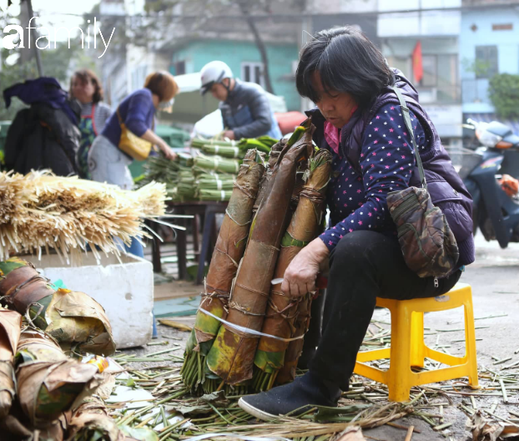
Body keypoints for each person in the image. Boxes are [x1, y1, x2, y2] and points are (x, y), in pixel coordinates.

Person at [239, 27, 475, 420]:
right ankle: (303, 367)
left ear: (358, 82)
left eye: (332, 94)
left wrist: (319, 250)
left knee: (351, 249)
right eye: (317, 96)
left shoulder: (389, 114)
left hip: (429, 258)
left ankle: (321, 386)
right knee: (327, 247)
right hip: (386, 247)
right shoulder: (337, 123)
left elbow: (384, 201)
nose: (325, 105)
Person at [88, 71, 178, 257]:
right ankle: (116, 262)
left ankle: (133, 260)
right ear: (165, 92)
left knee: (128, 211)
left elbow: (141, 140)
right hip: (108, 156)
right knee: (116, 211)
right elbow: (134, 123)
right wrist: (161, 143)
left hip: (116, 160)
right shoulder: (144, 96)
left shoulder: (148, 105)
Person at [4, 77, 81, 176]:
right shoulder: (67, 116)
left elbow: (10, 154)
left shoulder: (24, 117)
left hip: (27, 180)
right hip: (63, 181)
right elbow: (74, 151)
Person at [199, 60, 282, 140]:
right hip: (249, 153)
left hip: (273, 150)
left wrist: (235, 134)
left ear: (226, 81)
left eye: (214, 90)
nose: (214, 95)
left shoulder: (252, 92)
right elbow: (228, 131)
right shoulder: (223, 106)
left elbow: (265, 123)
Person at [69, 69, 113, 180]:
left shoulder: (104, 112)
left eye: (83, 84)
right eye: (75, 84)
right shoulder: (68, 112)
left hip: (100, 170)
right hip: (74, 172)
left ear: (94, 86)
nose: (78, 87)